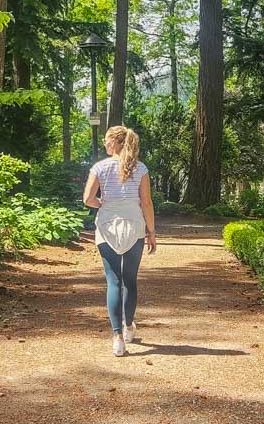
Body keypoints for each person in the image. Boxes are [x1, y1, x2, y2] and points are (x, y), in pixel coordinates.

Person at [82, 125, 157, 357]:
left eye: (107, 141)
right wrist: (151, 232)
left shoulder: (99, 168)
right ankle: (128, 327)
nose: (104, 145)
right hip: (134, 227)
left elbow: (88, 199)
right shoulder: (141, 168)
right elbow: (146, 203)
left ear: (115, 142)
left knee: (113, 281)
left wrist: (103, 204)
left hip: (106, 227)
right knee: (130, 281)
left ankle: (117, 339)